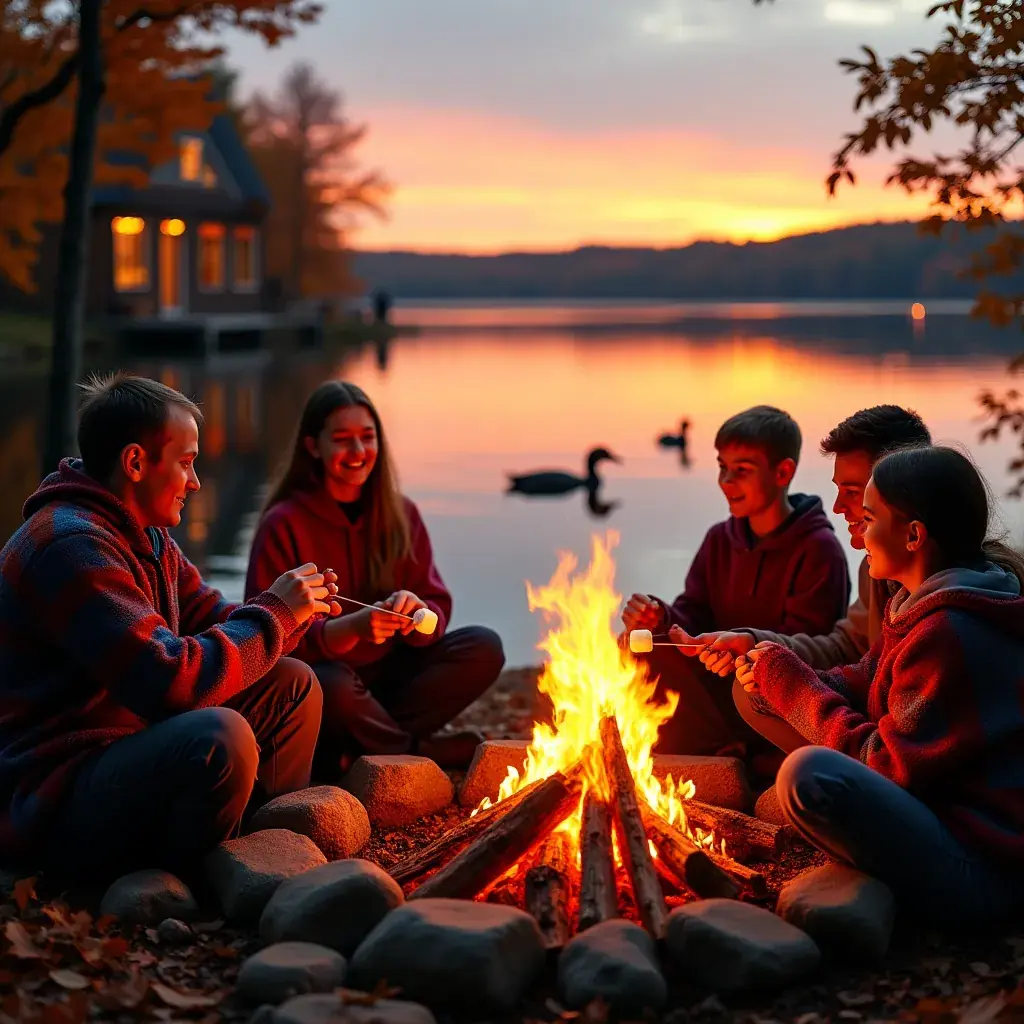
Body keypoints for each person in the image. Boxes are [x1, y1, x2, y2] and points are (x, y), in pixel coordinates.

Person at [0, 374, 335, 880]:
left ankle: (264, 859)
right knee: (221, 737)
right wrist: (275, 613)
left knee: (292, 684)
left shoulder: (144, 535)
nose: (196, 482)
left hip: (120, 746)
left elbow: (212, 616)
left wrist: (297, 610)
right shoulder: (69, 546)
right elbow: (171, 683)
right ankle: (180, 882)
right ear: (135, 463)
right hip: (51, 790)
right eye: (186, 462)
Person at [735, 446, 1024, 924]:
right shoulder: (921, 602)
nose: (860, 534)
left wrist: (796, 689)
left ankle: (894, 887)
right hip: (938, 811)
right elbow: (869, 676)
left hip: (983, 864)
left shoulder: (950, 631)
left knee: (808, 776)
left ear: (913, 535)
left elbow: (884, 765)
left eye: (869, 519)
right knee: (756, 694)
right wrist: (785, 676)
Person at [245, 381, 505, 774]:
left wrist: (417, 614)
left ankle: (364, 750)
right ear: (314, 446)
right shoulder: (283, 524)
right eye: (343, 440)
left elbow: (437, 609)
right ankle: (416, 752)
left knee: (484, 646)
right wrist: (353, 628)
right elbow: (263, 639)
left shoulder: (401, 514)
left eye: (368, 438)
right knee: (326, 683)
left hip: (392, 686)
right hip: (331, 692)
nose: (358, 452)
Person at [667, 405, 931, 752]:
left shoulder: (944, 622)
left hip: (882, 752)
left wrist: (790, 684)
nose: (838, 507)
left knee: (791, 756)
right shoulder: (878, 573)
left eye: (853, 493)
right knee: (750, 683)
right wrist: (754, 643)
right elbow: (847, 648)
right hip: (862, 731)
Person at [622, 405, 849, 756]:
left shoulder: (819, 550)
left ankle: (729, 760)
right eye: (722, 467)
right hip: (714, 691)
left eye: (741, 470)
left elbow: (812, 652)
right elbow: (692, 613)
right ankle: (712, 750)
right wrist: (661, 618)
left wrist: (742, 652)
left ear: (783, 472)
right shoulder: (719, 540)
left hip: (770, 698)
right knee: (639, 643)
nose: (726, 482)